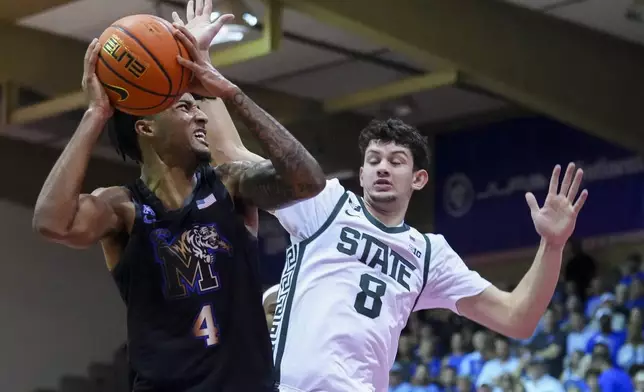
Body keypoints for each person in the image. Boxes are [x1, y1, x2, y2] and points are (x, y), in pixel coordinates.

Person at [32, 3, 326, 391]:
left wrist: (229, 92)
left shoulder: (230, 184)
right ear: (146, 127)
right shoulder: (123, 208)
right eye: (186, 107)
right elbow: (53, 222)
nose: (201, 116)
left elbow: (308, 182)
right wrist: (96, 114)